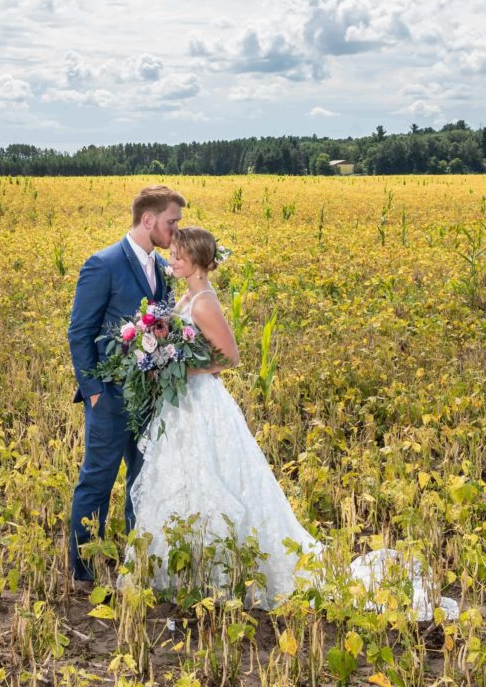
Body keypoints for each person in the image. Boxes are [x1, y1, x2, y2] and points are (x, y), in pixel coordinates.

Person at [125, 226, 458, 619]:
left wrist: (181, 369)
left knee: (213, 478)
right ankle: (182, 570)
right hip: (182, 405)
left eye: (178, 256)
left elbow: (230, 357)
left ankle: (217, 572)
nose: (171, 260)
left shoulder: (204, 303)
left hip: (202, 404)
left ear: (196, 261)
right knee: (181, 479)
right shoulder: (186, 295)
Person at [68, 185, 185, 592]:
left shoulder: (163, 268)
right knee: (97, 481)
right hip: (109, 396)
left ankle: (136, 567)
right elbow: (79, 331)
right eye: (172, 222)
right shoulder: (103, 264)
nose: (176, 231)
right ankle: (83, 572)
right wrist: (94, 390)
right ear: (148, 220)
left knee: (143, 480)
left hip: (149, 398)